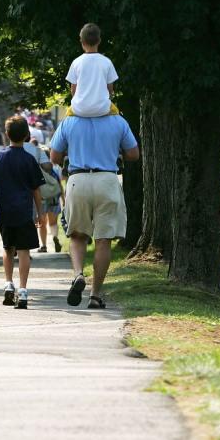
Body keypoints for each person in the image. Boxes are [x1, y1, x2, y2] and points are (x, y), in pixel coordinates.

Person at [49, 111, 139, 309]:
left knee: (77, 236)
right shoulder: (118, 121)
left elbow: (54, 155)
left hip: (78, 179)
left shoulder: (69, 122)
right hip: (107, 180)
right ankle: (95, 294)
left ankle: (78, 274)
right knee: (103, 239)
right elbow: (133, 153)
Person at [0, 116, 46, 309]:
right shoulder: (29, 159)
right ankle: (23, 290)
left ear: (6, 135)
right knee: (24, 250)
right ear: (27, 135)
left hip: (4, 211)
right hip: (24, 212)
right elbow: (36, 189)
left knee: (7, 248)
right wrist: (39, 212)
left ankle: (8, 283)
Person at [66, 23, 119, 118]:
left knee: (66, 119)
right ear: (99, 41)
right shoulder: (107, 62)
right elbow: (110, 89)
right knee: (117, 114)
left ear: (82, 42)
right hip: (102, 109)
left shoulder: (76, 62)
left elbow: (73, 89)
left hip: (79, 109)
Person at [37, 158, 64, 253]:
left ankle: (44, 246)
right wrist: (63, 200)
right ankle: (55, 237)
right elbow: (60, 185)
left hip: (42, 199)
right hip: (54, 198)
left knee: (42, 223)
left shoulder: (37, 170)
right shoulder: (54, 169)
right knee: (53, 223)